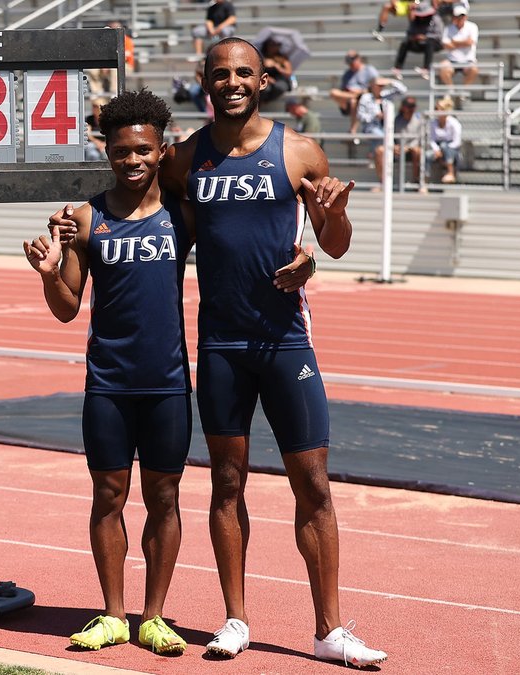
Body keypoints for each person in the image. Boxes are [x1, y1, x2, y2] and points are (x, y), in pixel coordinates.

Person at [40, 90, 315, 655]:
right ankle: (113, 614)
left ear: (161, 151)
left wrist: (303, 249)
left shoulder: (181, 214)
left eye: (142, 150)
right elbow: (68, 306)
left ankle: (154, 615)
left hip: (169, 381)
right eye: (120, 152)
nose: (132, 161)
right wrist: (49, 272)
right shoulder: (85, 218)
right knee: (108, 496)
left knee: (164, 497)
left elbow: (237, 239)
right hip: (108, 383)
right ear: (107, 154)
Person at [157, 38, 387, 667]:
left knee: (312, 483)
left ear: (264, 80)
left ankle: (330, 629)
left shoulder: (300, 150)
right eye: (220, 73)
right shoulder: (183, 161)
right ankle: (234, 618)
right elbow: (148, 220)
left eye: (243, 73)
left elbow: (335, 243)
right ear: (205, 81)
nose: (232, 82)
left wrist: (319, 241)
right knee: (227, 481)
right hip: (222, 344)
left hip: (286, 341)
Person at [374, 95, 424, 187]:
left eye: (412, 106)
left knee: (418, 151)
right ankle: (383, 183)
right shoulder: (396, 120)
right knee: (379, 151)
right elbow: (390, 136)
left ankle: (416, 181)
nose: (410, 109)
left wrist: (408, 147)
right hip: (396, 150)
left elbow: (420, 138)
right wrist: (393, 146)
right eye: (408, 106)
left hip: (411, 150)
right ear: (403, 107)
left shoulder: (419, 121)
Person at [329, 51, 379, 134]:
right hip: (348, 99)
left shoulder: (369, 70)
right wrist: (351, 92)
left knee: (354, 101)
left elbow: (377, 85)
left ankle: (353, 130)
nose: (351, 65)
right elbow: (343, 90)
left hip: (365, 98)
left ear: (358, 59)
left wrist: (361, 91)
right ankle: (354, 96)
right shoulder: (347, 74)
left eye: (352, 62)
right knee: (333, 92)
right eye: (349, 63)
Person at [392, 0, 442, 79]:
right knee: (405, 43)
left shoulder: (435, 19)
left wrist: (425, 37)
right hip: (418, 43)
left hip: (433, 43)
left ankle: (426, 69)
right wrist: (415, 37)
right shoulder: (415, 21)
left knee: (430, 43)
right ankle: (397, 68)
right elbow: (410, 33)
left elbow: (439, 36)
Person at [437, 6, 478, 88]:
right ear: (454, 17)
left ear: (466, 16)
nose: (461, 18)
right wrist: (464, 42)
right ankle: (452, 90)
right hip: (452, 60)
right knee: (442, 67)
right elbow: (447, 45)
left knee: (474, 70)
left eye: (463, 16)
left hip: (468, 60)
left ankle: (463, 90)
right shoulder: (448, 28)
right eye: (458, 16)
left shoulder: (472, 26)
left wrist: (454, 42)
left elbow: (470, 42)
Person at [429, 95, 463, 183]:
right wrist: (437, 149)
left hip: (452, 149)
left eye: (438, 109)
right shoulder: (433, 123)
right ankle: (424, 181)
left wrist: (444, 149)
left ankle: (450, 173)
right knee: (427, 156)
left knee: (444, 145)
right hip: (438, 148)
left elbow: (457, 142)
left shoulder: (454, 123)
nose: (436, 111)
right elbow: (431, 139)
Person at [259, 38, 293, 103]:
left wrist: (277, 67)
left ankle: (265, 102)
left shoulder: (283, 58)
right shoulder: (261, 57)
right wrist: (268, 78)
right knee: (265, 89)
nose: (275, 47)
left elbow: (288, 73)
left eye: (277, 45)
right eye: (272, 45)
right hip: (266, 79)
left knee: (280, 87)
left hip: (280, 80)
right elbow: (257, 71)